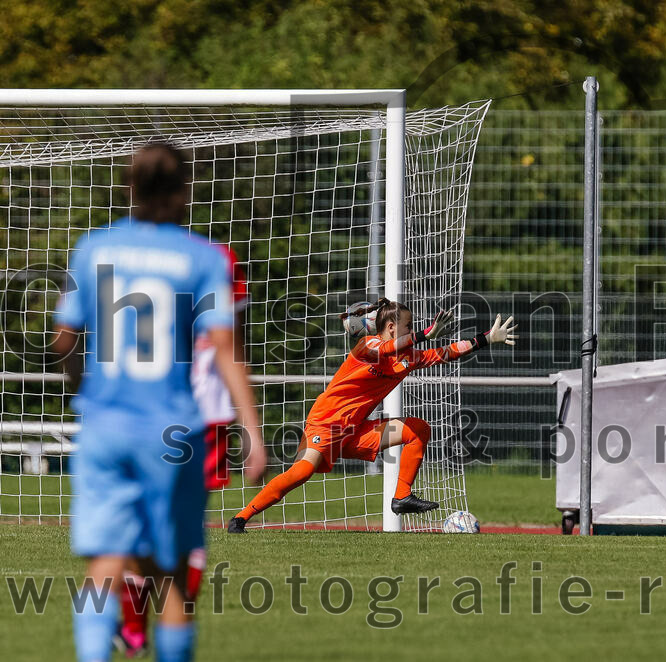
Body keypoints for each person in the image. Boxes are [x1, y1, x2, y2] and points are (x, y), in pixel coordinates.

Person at [53, 143, 266, 662]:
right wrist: (252, 431)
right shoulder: (202, 258)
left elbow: (63, 338)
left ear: (130, 188)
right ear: (183, 192)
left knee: (104, 562)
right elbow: (224, 351)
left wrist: (82, 385)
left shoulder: (94, 247)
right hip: (171, 432)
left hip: (105, 426)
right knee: (170, 571)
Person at [227, 299, 516, 533]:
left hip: (356, 431)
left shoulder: (407, 358)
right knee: (301, 472)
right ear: (391, 327)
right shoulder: (368, 346)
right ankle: (241, 518)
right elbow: (389, 347)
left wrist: (486, 339)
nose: (411, 330)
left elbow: (446, 352)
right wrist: (425, 334)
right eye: (408, 326)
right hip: (326, 424)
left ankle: (401, 497)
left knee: (417, 429)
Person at [114, 244, 249, 658]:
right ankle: (165, 634)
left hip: (151, 412)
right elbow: (231, 345)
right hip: (201, 417)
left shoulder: (122, 254)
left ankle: (135, 630)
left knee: (143, 527)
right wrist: (250, 424)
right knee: (185, 531)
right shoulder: (217, 260)